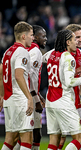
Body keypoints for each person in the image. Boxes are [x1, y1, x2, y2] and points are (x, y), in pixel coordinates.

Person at [42, 29, 81, 150]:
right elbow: (69, 82)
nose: (76, 42)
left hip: (50, 101)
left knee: (53, 141)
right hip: (63, 100)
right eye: (73, 40)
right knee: (79, 138)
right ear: (67, 42)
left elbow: (42, 59)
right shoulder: (68, 57)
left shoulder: (51, 54)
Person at [57, 24, 81, 150]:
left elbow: (78, 78)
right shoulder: (59, 54)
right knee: (61, 137)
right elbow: (66, 79)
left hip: (76, 101)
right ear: (69, 39)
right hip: (63, 100)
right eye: (77, 37)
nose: (80, 40)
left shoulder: (80, 53)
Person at [0, 21, 34, 150]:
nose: (33, 37)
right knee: (27, 139)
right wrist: (29, 97)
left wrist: (2, 95)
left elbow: (1, 73)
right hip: (20, 99)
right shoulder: (22, 52)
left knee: (11, 139)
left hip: (9, 99)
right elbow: (19, 75)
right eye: (31, 35)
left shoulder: (8, 52)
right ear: (23, 36)